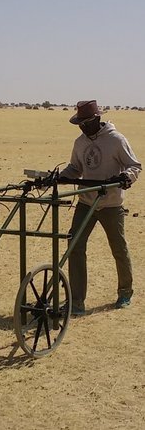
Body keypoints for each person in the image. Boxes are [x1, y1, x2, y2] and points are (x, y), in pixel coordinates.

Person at [59, 100, 141, 316]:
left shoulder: (116, 140)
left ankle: (125, 292)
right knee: (75, 246)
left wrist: (126, 177)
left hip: (111, 204)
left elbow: (134, 165)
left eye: (86, 123)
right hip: (86, 202)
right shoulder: (79, 142)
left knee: (118, 248)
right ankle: (76, 302)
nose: (82, 127)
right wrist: (60, 177)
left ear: (96, 119)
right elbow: (76, 167)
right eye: (79, 123)